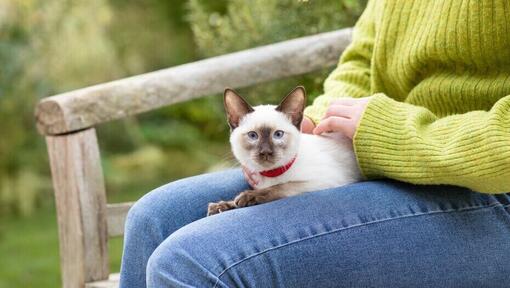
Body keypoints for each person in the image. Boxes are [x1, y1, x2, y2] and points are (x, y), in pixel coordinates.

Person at [119, 1, 510, 287]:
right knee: (154, 217)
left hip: (486, 188)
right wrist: (315, 121)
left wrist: (393, 133)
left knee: (191, 261)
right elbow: (360, 64)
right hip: (387, 169)